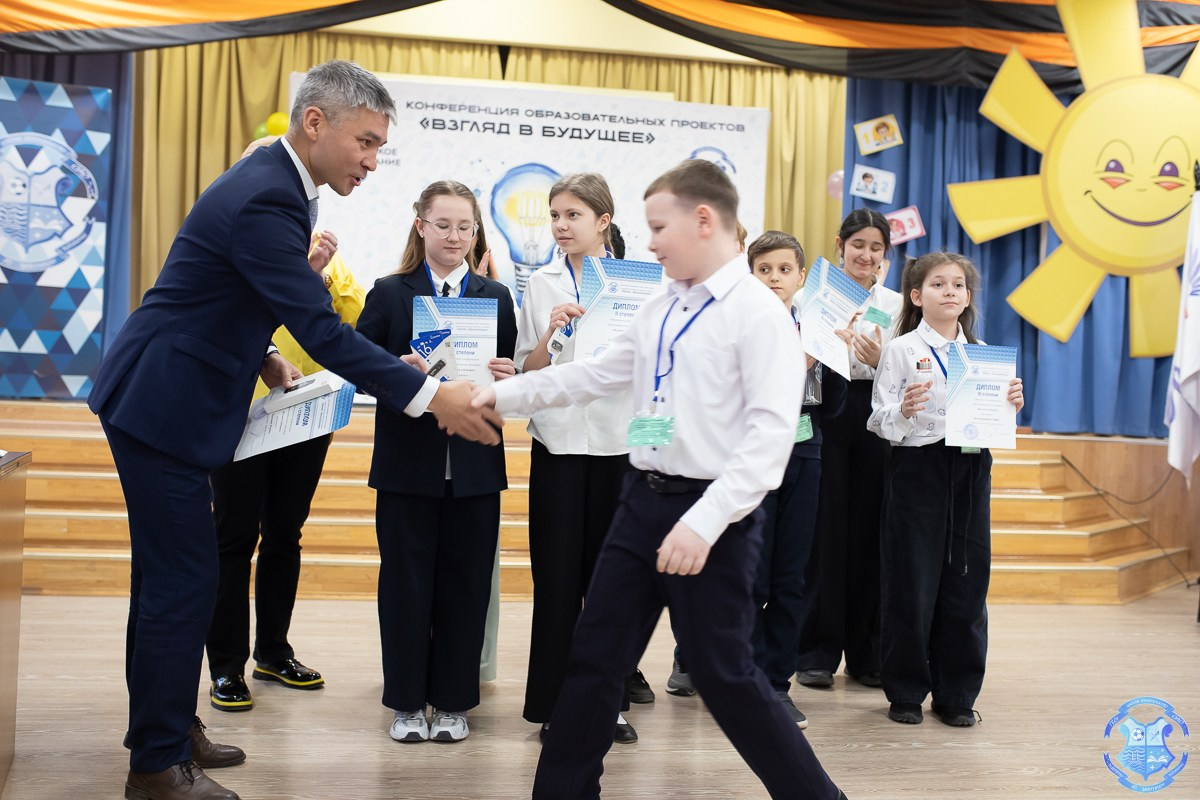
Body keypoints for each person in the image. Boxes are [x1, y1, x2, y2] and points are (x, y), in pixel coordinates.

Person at [87, 60, 500, 800]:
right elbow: (323, 329)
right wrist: (431, 396)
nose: (372, 162)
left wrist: (265, 355)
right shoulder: (269, 197)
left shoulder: (279, 188)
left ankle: (167, 729)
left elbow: (221, 293)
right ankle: (155, 765)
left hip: (164, 393)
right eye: (366, 143)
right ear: (316, 123)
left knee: (167, 581)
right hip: (165, 404)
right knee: (182, 583)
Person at [473, 159, 847, 800]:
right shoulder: (661, 304)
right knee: (594, 659)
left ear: (703, 221)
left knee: (724, 675)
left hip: (713, 517)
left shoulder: (758, 315)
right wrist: (493, 397)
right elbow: (594, 374)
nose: (648, 244)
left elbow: (769, 440)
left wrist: (703, 524)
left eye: (658, 228)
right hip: (639, 502)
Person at [205, 137, 366, 714]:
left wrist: (320, 277)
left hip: (305, 413)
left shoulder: (324, 253)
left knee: (285, 534)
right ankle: (226, 666)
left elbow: (351, 322)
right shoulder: (227, 243)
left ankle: (272, 651)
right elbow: (227, 318)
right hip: (241, 412)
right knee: (233, 538)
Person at [355, 180, 519, 744]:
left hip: (475, 465)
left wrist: (507, 377)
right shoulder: (388, 293)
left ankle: (452, 702)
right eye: (443, 225)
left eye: (464, 227)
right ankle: (405, 703)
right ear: (420, 225)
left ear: (476, 232)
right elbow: (359, 368)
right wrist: (396, 371)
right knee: (405, 585)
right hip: (408, 463)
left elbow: (507, 372)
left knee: (467, 586)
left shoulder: (496, 296)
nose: (454, 236)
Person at [515, 173, 648, 745]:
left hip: (619, 447)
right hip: (559, 445)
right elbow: (527, 369)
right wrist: (551, 333)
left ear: (603, 221)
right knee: (557, 583)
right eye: (555, 215)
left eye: (573, 215)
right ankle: (553, 706)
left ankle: (607, 704)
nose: (561, 225)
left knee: (612, 587)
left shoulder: (641, 284)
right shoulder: (539, 284)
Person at [866, 252, 1023, 727]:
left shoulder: (983, 354)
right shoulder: (901, 349)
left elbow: (992, 419)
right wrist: (904, 410)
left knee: (967, 583)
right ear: (916, 296)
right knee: (911, 581)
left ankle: (956, 693)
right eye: (938, 284)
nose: (950, 291)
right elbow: (877, 419)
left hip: (970, 467)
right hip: (919, 467)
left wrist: (1010, 404)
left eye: (958, 285)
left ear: (968, 297)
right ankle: (906, 690)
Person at [746, 231, 847, 730]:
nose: (774, 278)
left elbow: (835, 405)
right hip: (753, 457)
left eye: (784, 270)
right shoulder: (741, 328)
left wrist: (835, 356)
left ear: (801, 276)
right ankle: (742, 682)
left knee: (791, 577)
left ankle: (776, 684)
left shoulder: (816, 327)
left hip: (805, 452)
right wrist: (795, 362)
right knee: (753, 576)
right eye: (764, 270)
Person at [795, 209, 899, 692]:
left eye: (876, 247)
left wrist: (880, 360)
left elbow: (906, 371)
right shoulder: (811, 295)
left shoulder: (896, 304)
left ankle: (867, 653)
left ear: (885, 254)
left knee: (870, 533)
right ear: (840, 245)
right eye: (858, 245)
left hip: (875, 413)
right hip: (824, 411)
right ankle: (816, 652)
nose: (866, 255)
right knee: (824, 532)